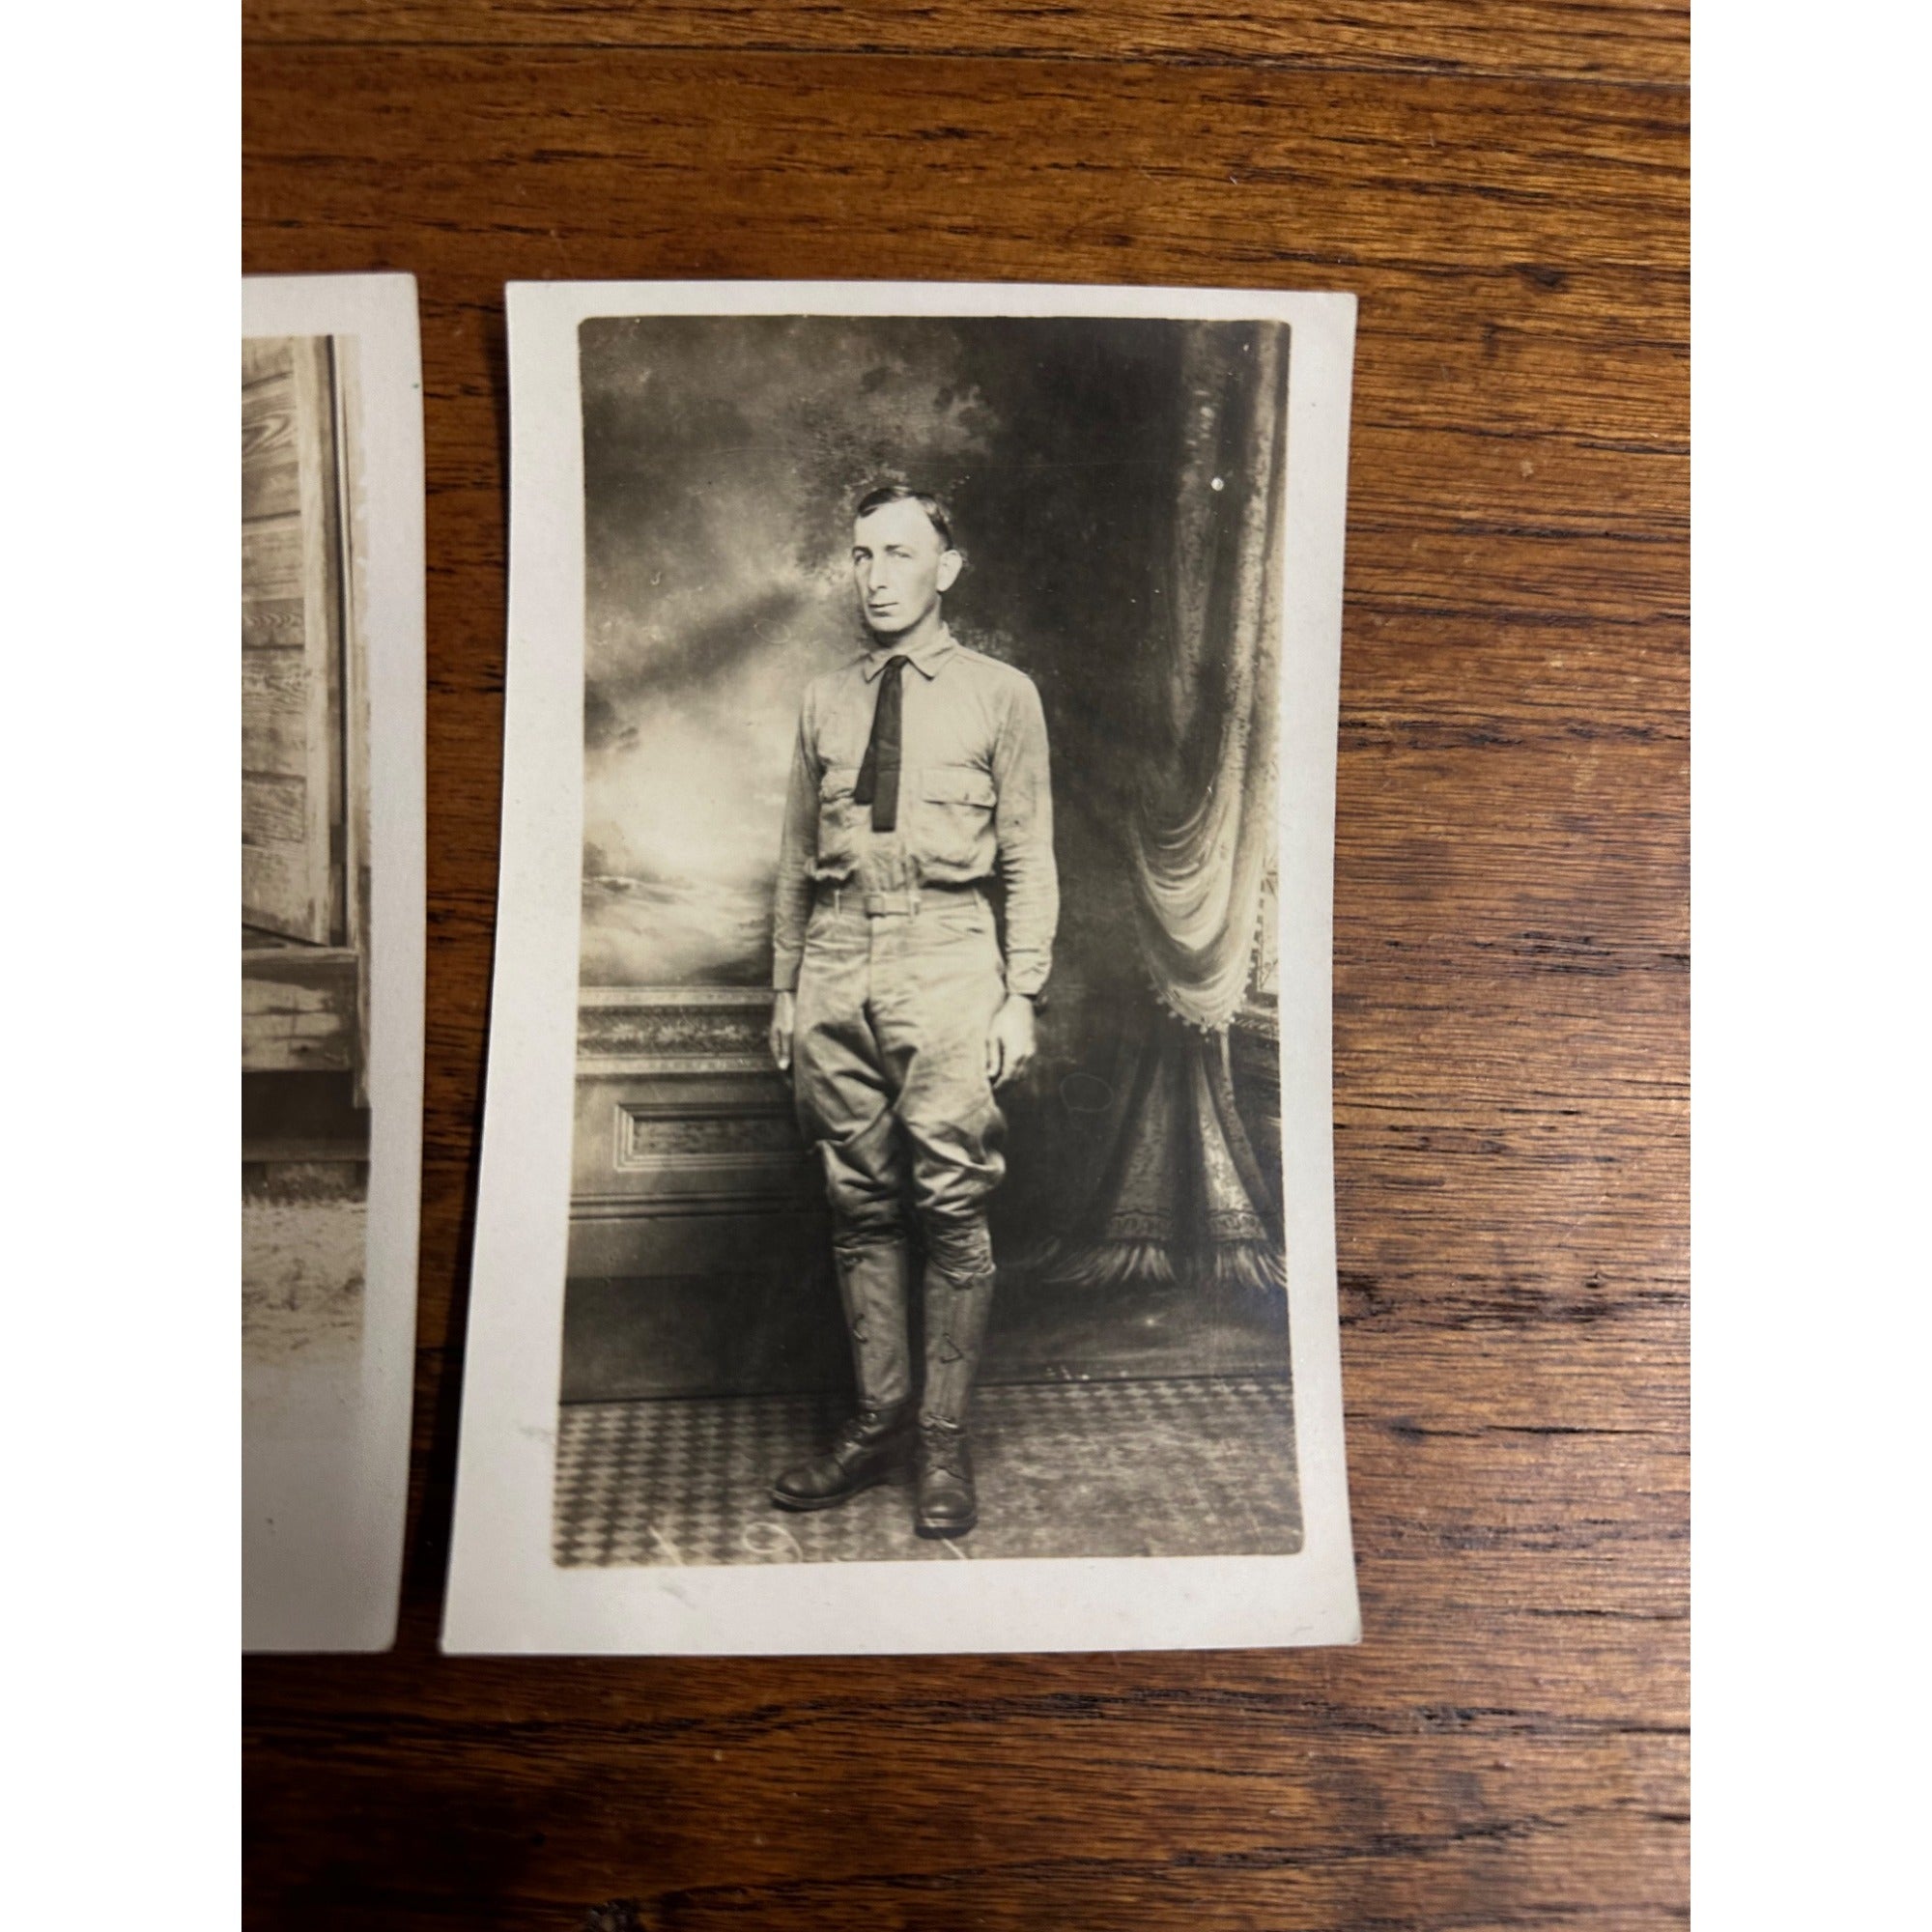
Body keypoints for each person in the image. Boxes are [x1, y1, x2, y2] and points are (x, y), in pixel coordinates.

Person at [766, 484, 1058, 1538]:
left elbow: (1028, 855)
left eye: (897, 553)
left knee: (949, 1196)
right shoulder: (821, 699)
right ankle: (878, 1417)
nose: (874, 574)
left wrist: (1020, 994)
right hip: (840, 953)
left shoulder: (999, 694)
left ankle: (940, 1435)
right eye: (859, 554)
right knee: (858, 1200)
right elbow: (795, 860)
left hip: (948, 953)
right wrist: (786, 988)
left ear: (947, 566)